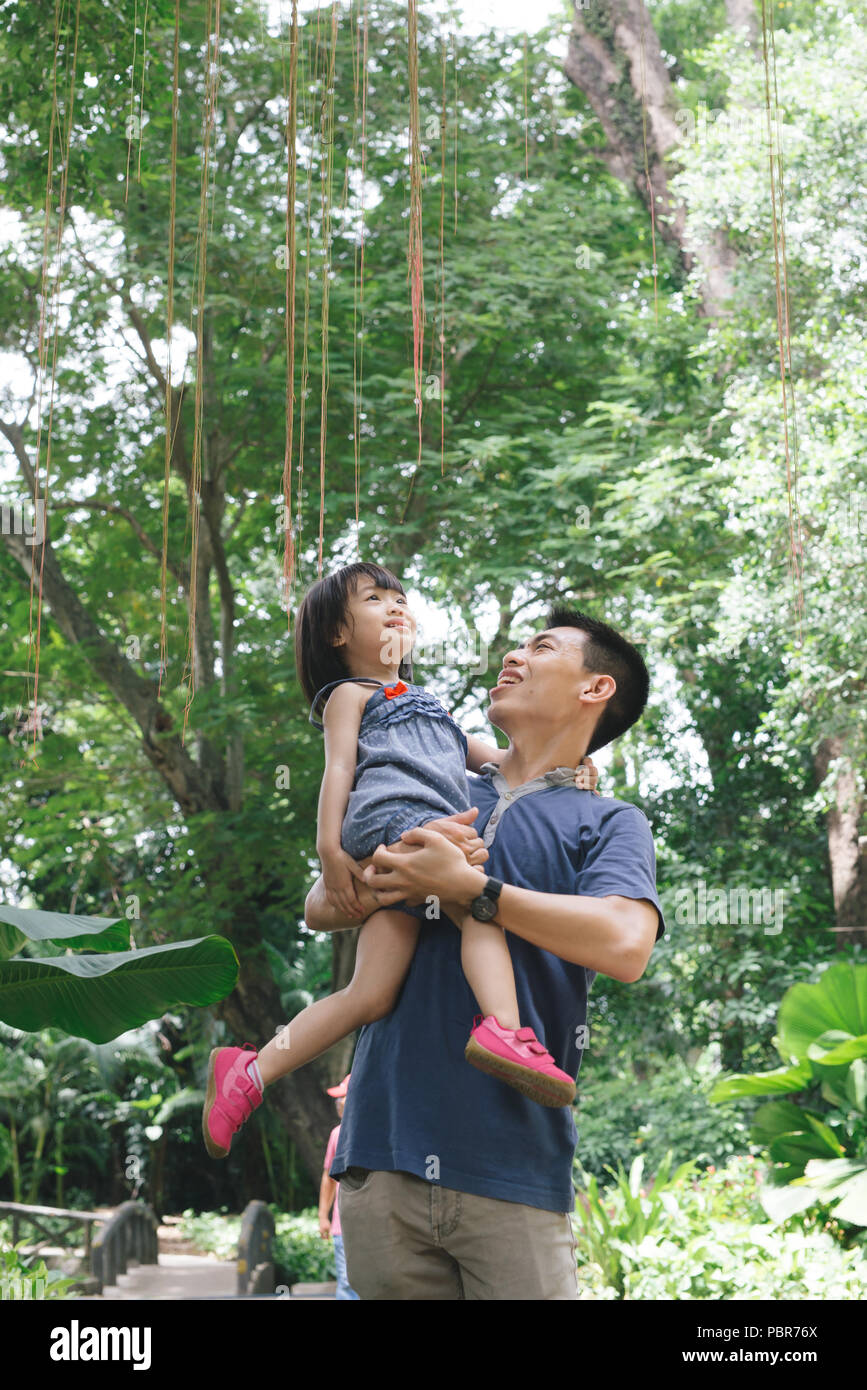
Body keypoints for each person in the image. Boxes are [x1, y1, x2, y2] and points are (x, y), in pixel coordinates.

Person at [304, 605, 666, 1300]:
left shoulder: (610, 821)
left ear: (595, 690)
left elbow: (625, 945)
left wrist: (472, 889)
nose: (513, 655)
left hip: (514, 1169)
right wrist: (393, 877)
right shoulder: (430, 786)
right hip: (379, 1160)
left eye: (541, 646)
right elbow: (321, 904)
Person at [202, 565, 596, 1161]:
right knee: (480, 906)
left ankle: (250, 1072)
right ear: (337, 633)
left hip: (423, 843)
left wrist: (575, 767)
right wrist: (330, 850)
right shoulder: (351, 695)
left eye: (401, 599)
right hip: (392, 823)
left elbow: (501, 762)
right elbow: (338, 770)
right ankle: (506, 1030)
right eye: (374, 599)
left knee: (371, 994)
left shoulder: (432, 708)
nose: (394, 607)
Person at [319, 1074, 359, 1300]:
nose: (339, 1103)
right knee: (346, 1283)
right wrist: (323, 1215)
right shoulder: (337, 1134)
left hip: (372, 1225)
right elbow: (329, 1176)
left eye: (343, 1097)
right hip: (342, 1226)